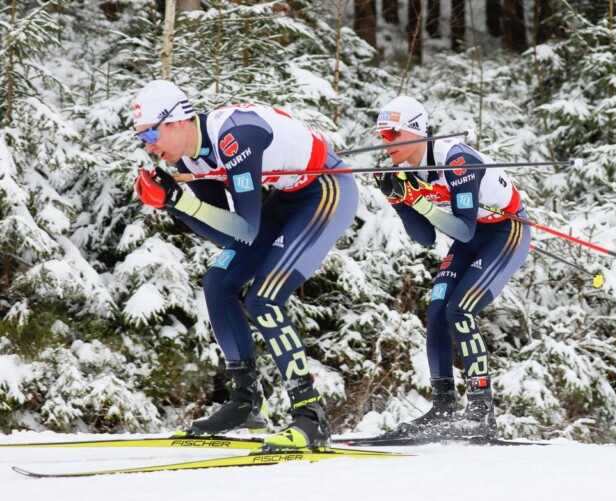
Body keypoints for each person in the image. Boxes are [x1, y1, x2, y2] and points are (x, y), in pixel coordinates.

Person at [131, 80, 358, 449]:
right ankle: (245, 401)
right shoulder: (190, 155)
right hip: (288, 198)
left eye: (151, 133)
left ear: (176, 122)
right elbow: (233, 236)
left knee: (263, 299)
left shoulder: (235, 137)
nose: (148, 145)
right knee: (218, 282)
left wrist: (180, 201)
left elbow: (247, 226)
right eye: (141, 138)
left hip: (326, 189)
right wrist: (173, 202)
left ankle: (309, 414)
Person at [374, 96, 530, 438]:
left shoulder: (457, 161)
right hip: (471, 239)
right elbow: (426, 238)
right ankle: (443, 407)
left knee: (460, 310)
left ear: (415, 132)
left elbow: (464, 228)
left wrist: (417, 200)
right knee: (437, 311)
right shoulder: (407, 169)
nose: (385, 143)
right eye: (381, 135)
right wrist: (399, 202)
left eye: (392, 135)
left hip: (505, 232)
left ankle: (480, 409)